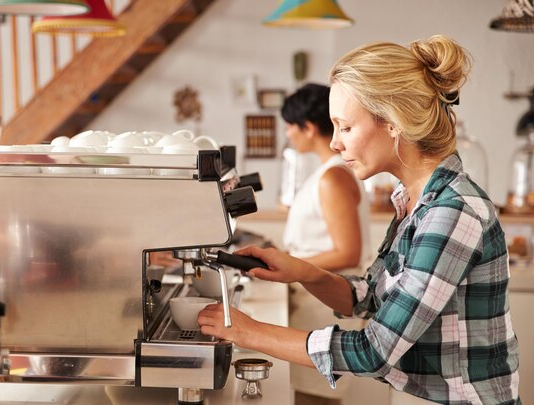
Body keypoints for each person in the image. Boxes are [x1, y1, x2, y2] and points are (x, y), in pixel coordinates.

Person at [198, 34, 521, 405]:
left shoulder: (452, 212)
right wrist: (304, 271)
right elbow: (369, 297)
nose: (335, 143)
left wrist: (250, 333)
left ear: (394, 122)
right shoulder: (414, 201)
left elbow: (374, 350)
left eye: (346, 127)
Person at [280, 83, 371, 405]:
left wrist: (290, 265)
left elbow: (349, 252)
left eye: (290, 125)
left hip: (324, 302)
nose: (288, 134)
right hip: (313, 299)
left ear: (307, 127)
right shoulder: (326, 173)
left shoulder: (333, 176)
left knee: (317, 397)